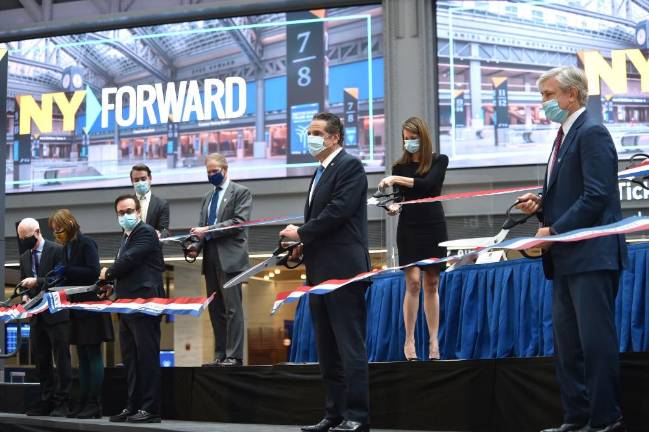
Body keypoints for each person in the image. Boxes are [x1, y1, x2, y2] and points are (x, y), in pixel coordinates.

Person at [516, 66, 627, 432]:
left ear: (573, 95)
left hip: (591, 255)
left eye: (548, 95)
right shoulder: (564, 136)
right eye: (543, 96)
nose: (543, 103)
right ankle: (576, 419)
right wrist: (541, 204)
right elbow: (569, 193)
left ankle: (605, 420)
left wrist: (555, 230)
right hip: (564, 258)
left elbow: (596, 195)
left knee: (595, 344)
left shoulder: (591, 132)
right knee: (568, 347)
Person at [280, 112, 370, 432]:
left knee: (349, 346)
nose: (310, 137)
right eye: (309, 132)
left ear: (335, 137)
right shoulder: (318, 172)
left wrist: (302, 233)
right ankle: (334, 413)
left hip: (344, 271)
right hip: (318, 272)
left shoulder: (350, 166)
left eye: (317, 132)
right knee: (327, 349)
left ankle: (357, 416)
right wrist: (304, 245)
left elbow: (339, 211)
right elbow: (326, 219)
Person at [379, 116, 449, 361]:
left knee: (432, 284)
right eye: (405, 139)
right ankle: (409, 340)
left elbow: (428, 185)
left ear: (423, 137)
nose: (409, 143)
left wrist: (394, 179)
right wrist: (393, 208)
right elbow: (399, 200)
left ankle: (433, 340)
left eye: (413, 138)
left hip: (434, 225)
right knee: (413, 284)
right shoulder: (399, 167)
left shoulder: (439, 160)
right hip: (408, 227)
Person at [100, 194, 165, 424]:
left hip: (145, 303)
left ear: (138, 212)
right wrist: (111, 286)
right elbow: (127, 268)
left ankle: (150, 409)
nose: (125, 215)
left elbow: (129, 260)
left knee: (146, 357)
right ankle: (133, 406)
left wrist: (107, 272)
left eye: (129, 211)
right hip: (126, 305)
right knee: (131, 360)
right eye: (121, 212)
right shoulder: (125, 236)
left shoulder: (145, 232)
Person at [48, 209, 114, 419]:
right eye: (55, 231)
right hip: (76, 307)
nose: (58, 233)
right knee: (82, 357)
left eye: (59, 229)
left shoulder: (87, 243)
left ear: (69, 223)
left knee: (92, 354)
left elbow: (93, 271)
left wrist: (67, 271)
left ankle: (95, 403)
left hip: (90, 307)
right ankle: (84, 401)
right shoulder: (67, 247)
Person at [187, 153, 252, 367]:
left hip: (231, 258)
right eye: (208, 172)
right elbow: (201, 229)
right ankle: (221, 355)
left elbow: (238, 223)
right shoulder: (208, 197)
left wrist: (207, 230)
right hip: (211, 259)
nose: (211, 175)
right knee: (216, 310)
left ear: (225, 169)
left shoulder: (241, 192)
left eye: (215, 171)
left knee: (233, 309)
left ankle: (234, 356)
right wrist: (195, 247)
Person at [17, 218, 71, 417]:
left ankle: (63, 402)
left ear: (38, 232)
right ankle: (47, 400)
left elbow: (61, 278)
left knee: (61, 358)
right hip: (36, 315)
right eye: (21, 238)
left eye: (27, 237)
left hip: (56, 314)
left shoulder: (57, 250)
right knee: (41, 360)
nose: (24, 241)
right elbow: (25, 286)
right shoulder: (24, 257)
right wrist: (24, 296)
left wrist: (37, 281)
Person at [130, 164, 170, 238]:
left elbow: (164, 230)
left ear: (150, 178)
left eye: (143, 179)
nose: (140, 182)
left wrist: (160, 235)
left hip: (153, 247)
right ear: (132, 181)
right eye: (136, 180)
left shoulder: (161, 204)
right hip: (132, 247)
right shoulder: (127, 203)